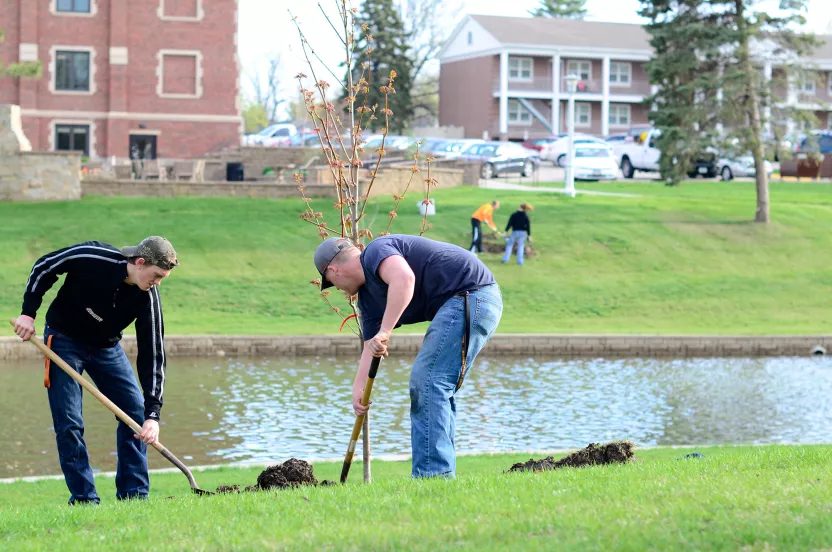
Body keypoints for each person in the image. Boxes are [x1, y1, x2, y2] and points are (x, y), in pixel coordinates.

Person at [313, 234, 503, 478]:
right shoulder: (369, 303)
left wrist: (385, 331)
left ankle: (433, 477)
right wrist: (358, 389)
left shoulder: (375, 252)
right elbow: (371, 346)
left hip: (472, 294)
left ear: (334, 270)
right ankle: (439, 474)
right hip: (467, 302)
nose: (336, 289)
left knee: (428, 381)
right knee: (435, 386)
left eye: (330, 282)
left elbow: (404, 278)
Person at [12, 236, 179, 505]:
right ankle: (84, 499)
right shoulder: (92, 256)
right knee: (69, 423)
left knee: (135, 417)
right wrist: (28, 313)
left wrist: (153, 415)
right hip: (63, 340)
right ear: (139, 262)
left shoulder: (148, 297)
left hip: (106, 348)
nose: (158, 282)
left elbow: (154, 354)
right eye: (157, 275)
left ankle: (134, 497)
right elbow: (45, 266)